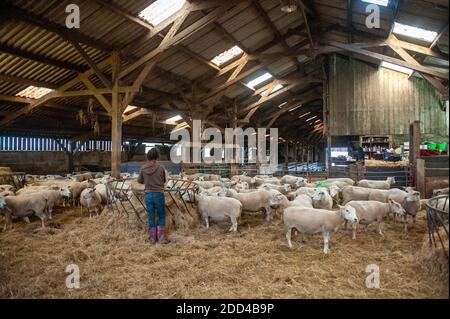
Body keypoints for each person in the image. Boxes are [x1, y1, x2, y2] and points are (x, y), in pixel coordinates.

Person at [137, 148, 169, 244]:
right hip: (159, 194)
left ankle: (152, 238)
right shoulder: (161, 167)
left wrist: (148, 180)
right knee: (161, 215)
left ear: (148, 156)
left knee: (151, 215)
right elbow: (164, 180)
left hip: (148, 194)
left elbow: (139, 181)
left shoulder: (143, 168)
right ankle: (161, 238)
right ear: (157, 156)